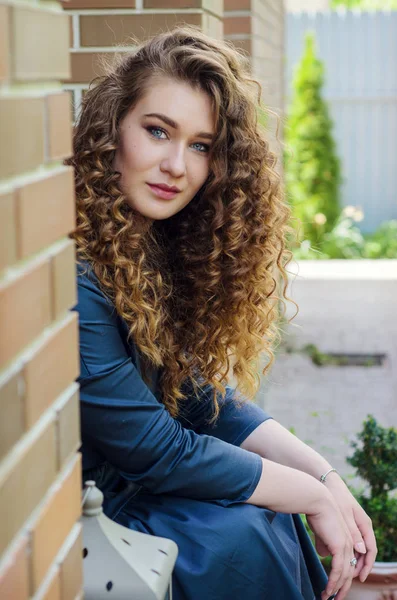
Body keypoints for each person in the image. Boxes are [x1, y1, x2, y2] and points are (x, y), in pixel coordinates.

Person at [67, 24, 377, 600]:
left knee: (265, 510)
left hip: (136, 495)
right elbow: (155, 449)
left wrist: (324, 477)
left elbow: (201, 398)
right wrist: (307, 494)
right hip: (89, 525)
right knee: (245, 528)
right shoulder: (77, 272)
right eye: (158, 131)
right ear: (112, 130)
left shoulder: (151, 246)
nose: (176, 165)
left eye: (201, 145)